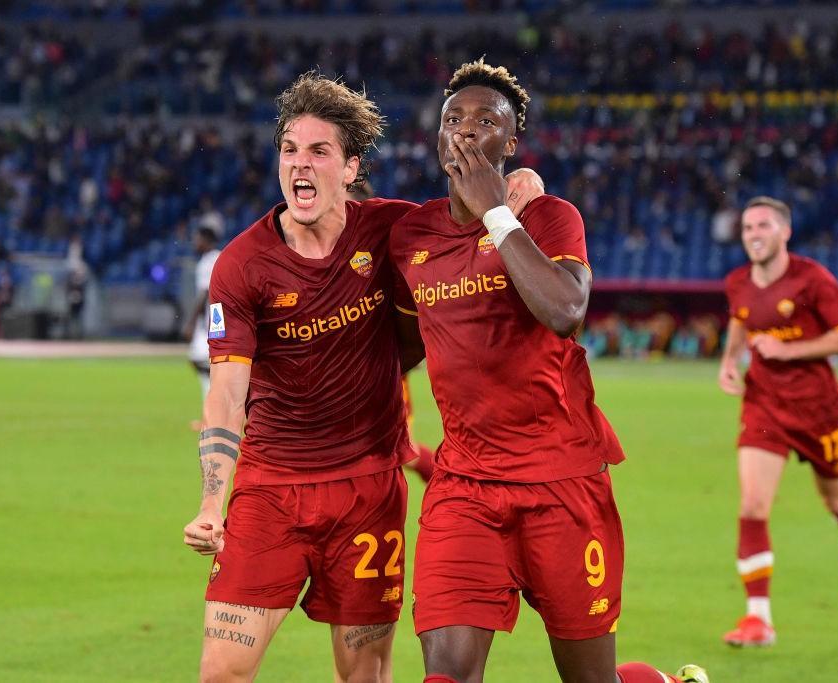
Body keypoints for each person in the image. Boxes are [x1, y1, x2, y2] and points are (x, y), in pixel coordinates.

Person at [180, 72, 544, 682]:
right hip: (270, 491)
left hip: (368, 492)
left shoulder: (391, 230)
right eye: (290, 150)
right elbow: (227, 390)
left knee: (366, 677)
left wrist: (521, 186)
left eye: (320, 151)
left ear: (350, 167)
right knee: (222, 672)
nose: (302, 164)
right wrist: (213, 500)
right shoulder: (243, 265)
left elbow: (470, 215)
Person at [389, 59, 707, 683]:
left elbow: (566, 311)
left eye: (486, 121)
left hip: (562, 481)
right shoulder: (411, 236)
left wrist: (494, 214)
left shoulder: (549, 218)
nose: (465, 131)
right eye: (453, 119)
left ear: (510, 144)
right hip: (466, 488)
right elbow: (400, 348)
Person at [718, 196, 838, 647]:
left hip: (817, 408)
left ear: (785, 232)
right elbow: (740, 320)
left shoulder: (812, 279)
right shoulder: (738, 282)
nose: (754, 234)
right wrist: (728, 360)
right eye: (747, 228)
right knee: (752, 506)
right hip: (764, 405)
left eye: (763, 225)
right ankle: (757, 619)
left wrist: (791, 350)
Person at [182, 226, 221, 431]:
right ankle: (212, 416)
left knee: (202, 362)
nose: (194, 242)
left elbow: (206, 293)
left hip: (211, 322)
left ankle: (213, 418)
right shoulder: (218, 257)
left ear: (206, 239)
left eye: (197, 238)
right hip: (216, 321)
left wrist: (190, 321)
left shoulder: (208, 261)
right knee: (208, 367)